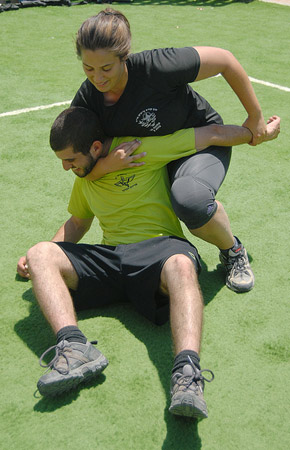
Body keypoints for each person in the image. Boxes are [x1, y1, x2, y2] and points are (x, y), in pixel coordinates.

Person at [17, 106, 280, 419]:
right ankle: (74, 349)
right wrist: (43, 257)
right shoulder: (85, 175)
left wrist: (258, 133)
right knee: (39, 252)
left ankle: (187, 376)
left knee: (182, 264)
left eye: (70, 160)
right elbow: (77, 223)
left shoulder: (142, 150)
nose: (65, 167)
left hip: (160, 250)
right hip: (110, 258)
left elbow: (211, 134)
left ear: (96, 148)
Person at [70, 7, 269, 294]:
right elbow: (78, 161)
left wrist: (255, 117)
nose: (97, 78)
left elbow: (225, 60)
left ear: (124, 57)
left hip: (199, 143)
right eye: (88, 68)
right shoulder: (88, 99)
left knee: (190, 200)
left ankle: (233, 250)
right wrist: (108, 166)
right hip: (152, 158)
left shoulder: (158, 67)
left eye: (106, 68)